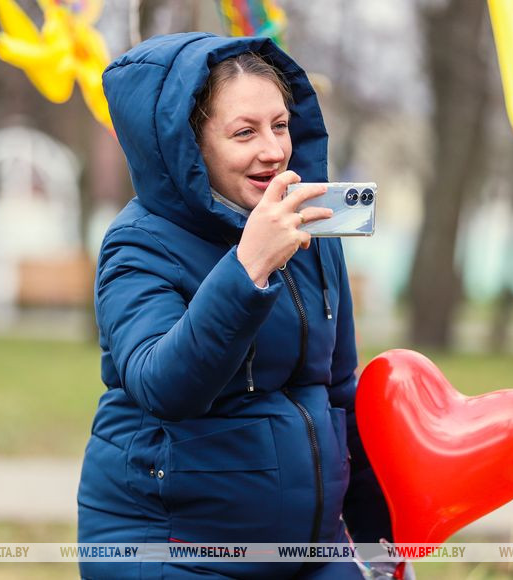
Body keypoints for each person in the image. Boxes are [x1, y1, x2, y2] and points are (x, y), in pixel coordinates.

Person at [77, 32, 392, 579]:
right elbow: (164, 386)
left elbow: (339, 392)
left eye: (280, 125)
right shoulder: (139, 244)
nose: (273, 150)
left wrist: (381, 542)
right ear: (188, 145)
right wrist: (249, 267)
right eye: (245, 132)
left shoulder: (312, 233)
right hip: (173, 550)